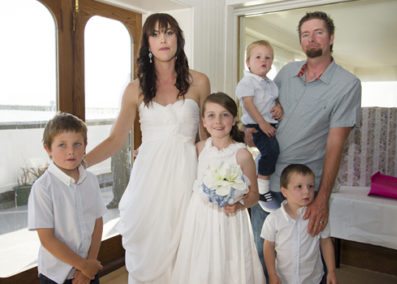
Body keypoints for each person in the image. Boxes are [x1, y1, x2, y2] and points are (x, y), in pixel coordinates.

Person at [84, 13, 210, 284]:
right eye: (155, 34)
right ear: (147, 44)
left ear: (179, 38)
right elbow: (115, 140)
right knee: (151, 251)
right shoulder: (135, 89)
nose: (163, 39)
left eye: (168, 32)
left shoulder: (199, 81)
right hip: (149, 182)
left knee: (188, 253)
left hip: (187, 179)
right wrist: (78, 163)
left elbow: (208, 137)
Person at [249, 11, 361, 280]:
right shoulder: (286, 73)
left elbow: (335, 146)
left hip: (303, 193)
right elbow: (265, 112)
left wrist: (321, 199)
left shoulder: (348, 85)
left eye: (319, 32)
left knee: (305, 264)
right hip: (267, 183)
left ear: (331, 37)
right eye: (305, 34)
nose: (311, 39)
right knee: (263, 260)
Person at [172, 92, 265, 284]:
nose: (218, 121)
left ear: (234, 119)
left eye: (225, 115)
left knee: (228, 263)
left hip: (230, 219)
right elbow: (173, 155)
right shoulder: (198, 148)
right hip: (200, 217)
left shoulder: (242, 155)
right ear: (204, 122)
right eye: (211, 115)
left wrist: (239, 204)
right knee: (200, 263)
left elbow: (254, 196)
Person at [28, 112, 106, 284]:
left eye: (77, 144)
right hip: (56, 276)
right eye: (62, 145)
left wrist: (89, 266)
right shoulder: (42, 188)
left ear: (85, 146)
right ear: (48, 149)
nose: (71, 151)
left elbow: (98, 222)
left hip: (88, 270)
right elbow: (47, 239)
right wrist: (82, 265)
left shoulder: (91, 180)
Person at [261, 164, 337, 284]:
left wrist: (331, 271)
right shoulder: (274, 219)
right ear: (284, 192)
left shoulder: (317, 217)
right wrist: (272, 274)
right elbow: (268, 247)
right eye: (299, 187)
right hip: (284, 279)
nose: (306, 191)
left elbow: (326, 242)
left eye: (311, 186)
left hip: (313, 279)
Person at [235, 40, 281, 213]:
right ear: (248, 62)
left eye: (268, 58)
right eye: (258, 57)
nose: (264, 60)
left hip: (269, 123)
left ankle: (260, 177)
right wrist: (262, 123)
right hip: (256, 124)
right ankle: (262, 188)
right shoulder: (248, 82)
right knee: (270, 150)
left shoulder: (271, 84)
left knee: (271, 151)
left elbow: (274, 100)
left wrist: (278, 107)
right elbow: (248, 105)